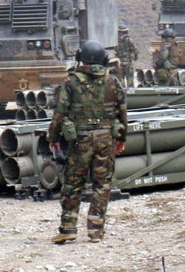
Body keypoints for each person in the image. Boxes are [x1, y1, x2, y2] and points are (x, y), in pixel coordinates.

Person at [47, 40, 128, 244]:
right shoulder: (113, 81)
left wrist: (53, 138)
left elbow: (60, 113)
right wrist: (122, 138)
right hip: (105, 139)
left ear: (80, 59)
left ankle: (68, 228)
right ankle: (95, 230)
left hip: (80, 141)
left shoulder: (70, 82)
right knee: (102, 184)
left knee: (73, 183)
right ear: (104, 59)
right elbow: (122, 112)